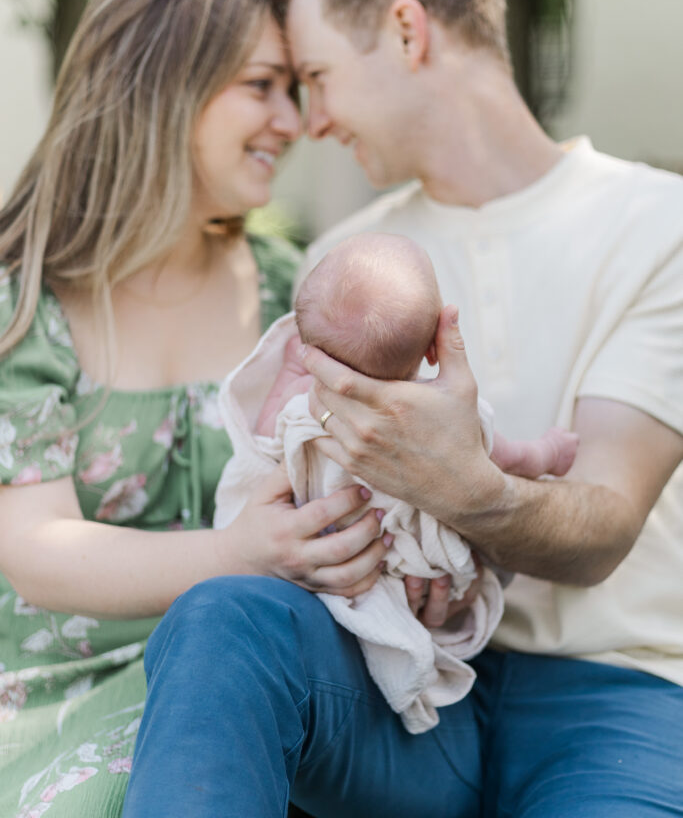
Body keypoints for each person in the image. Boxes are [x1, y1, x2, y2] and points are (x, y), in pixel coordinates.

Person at [123, 0, 683, 818]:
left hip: (617, 695)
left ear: (407, 30)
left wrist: (460, 486)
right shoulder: (349, 264)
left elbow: (603, 528)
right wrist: (321, 542)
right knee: (224, 615)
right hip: (408, 685)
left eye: (318, 75)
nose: (310, 120)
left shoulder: (659, 228)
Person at [0, 0, 391, 818]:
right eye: (261, 86)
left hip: (246, 674)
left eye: (294, 89)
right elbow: (34, 552)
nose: (292, 121)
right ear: (159, 90)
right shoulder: (23, 304)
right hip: (45, 692)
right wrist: (235, 554)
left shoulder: (300, 293)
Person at [214, 231, 578, 734]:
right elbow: (500, 459)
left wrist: (292, 377)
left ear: (305, 342)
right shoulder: (443, 421)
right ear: (434, 349)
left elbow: (261, 445)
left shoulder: (298, 405)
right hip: (401, 564)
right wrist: (546, 453)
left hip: (327, 564)